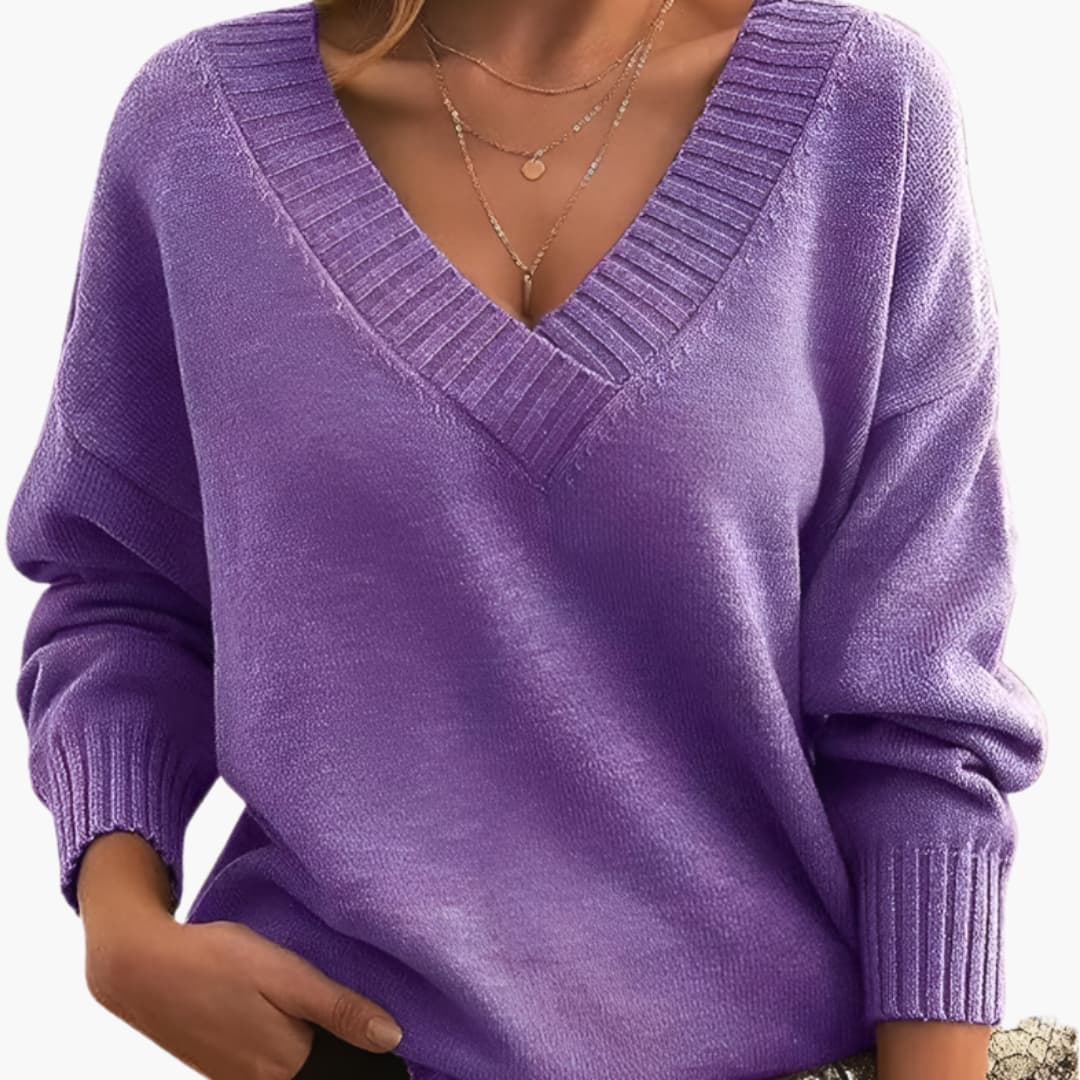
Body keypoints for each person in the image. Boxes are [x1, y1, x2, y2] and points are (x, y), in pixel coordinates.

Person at [5, 0, 1049, 1076]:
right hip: (345, 1046)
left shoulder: (865, 112)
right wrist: (122, 927)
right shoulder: (198, 132)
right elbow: (121, 587)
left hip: (778, 1055)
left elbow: (920, 704)